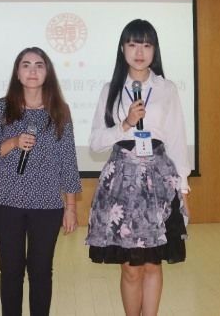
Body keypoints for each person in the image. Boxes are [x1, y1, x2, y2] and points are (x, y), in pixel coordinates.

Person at [86, 19, 190, 316]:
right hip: (121, 182)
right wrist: (125, 124)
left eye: (146, 45)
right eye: (133, 44)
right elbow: (95, 143)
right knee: (131, 267)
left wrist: (183, 189)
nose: (139, 52)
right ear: (122, 49)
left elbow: (177, 140)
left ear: (155, 50)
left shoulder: (166, 89)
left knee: (153, 263)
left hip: (159, 181)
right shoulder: (110, 90)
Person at [0, 47, 82, 316]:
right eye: (26, 65)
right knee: (10, 271)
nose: (33, 70)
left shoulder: (60, 111)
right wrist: (13, 142)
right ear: (18, 73)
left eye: (39, 65)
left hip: (47, 206)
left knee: (41, 272)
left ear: (48, 72)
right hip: (6, 204)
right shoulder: (3, 107)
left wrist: (71, 207)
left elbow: (68, 161)